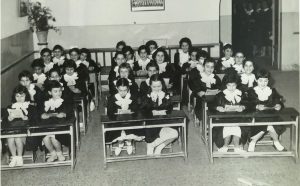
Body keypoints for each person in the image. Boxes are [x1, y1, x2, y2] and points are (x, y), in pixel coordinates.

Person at [247, 69, 286, 152]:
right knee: (269, 124)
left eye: (265, 81)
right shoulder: (251, 91)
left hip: (270, 115)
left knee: (272, 122)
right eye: (260, 81)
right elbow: (247, 104)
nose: (263, 83)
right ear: (256, 80)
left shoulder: (272, 91)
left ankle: (275, 141)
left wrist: (279, 105)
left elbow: (279, 101)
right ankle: (254, 141)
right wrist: (256, 106)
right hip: (256, 115)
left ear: (268, 81)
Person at [140, 74, 178, 155]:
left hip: (164, 121)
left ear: (162, 85)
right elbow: (143, 110)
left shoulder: (165, 95)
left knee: (175, 133)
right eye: (154, 87)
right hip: (151, 123)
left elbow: (170, 109)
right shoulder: (147, 96)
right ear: (150, 86)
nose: (157, 89)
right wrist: (152, 102)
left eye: (159, 86)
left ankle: (157, 146)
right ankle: (150, 145)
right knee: (151, 131)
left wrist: (164, 101)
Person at [106, 78, 144, 156]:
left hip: (129, 121)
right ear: (117, 88)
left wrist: (130, 112)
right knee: (117, 127)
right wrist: (117, 113)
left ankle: (129, 142)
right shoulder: (112, 99)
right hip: (117, 121)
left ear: (128, 89)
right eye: (120, 90)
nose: (123, 93)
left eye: (125, 90)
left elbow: (136, 110)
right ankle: (120, 143)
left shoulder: (132, 97)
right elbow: (109, 113)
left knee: (131, 125)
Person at [212, 73, 249, 153]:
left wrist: (243, 107)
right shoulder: (220, 95)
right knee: (228, 127)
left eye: (234, 85)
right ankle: (225, 146)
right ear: (225, 85)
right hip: (224, 119)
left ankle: (236, 147)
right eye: (229, 85)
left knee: (236, 127)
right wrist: (218, 107)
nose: (231, 88)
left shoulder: (240, 94)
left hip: (238, 119)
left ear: (237, 85)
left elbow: (248, 104)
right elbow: (212, 105)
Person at [4, 86, 38, 167]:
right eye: (17, 96)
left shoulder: (30, 107)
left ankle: (19, 157)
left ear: (26, 96)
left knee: (18, 138)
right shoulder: (10, 107)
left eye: (22, 96)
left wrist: (26, 118)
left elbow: (35, 120)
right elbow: (5, 120)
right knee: (10, 139)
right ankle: (14, 157)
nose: (19, 98)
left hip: (25, 130)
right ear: (14, 97)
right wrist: (9, 118)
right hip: (12, 129)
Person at [41, 80, 74, 162]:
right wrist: (52, 115)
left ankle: (59, 153)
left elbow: (69, 114)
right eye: (55, 91)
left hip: (61, 127)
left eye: (60, 91)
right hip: (48, 126)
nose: (58, 93)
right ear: (49, 92)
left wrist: (65, 114)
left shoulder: (65, 102)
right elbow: (42, 115)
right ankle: (53, 153)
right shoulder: (46, 103)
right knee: (45, 138)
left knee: (54, 137)